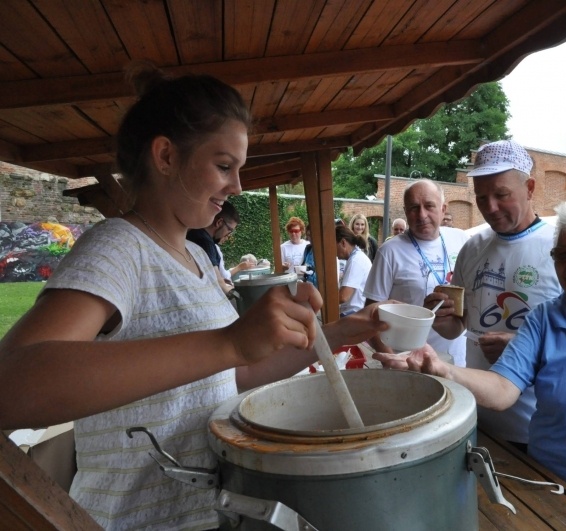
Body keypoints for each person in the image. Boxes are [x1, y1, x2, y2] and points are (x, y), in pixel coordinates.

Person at [0, 65, 387, 530]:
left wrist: (338, 332)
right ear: (165, 156)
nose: (237, 186)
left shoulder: (197, 259)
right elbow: (12, 385)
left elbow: (236, 374)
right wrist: (227, 342)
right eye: (224, 166)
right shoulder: (118, 247)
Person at [376, 196, 566, 530]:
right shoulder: (544, 319)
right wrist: (442, 368)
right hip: (556, 496)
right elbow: (503, 387)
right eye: (562, 254)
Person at [423, 139, 561, 447]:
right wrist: (437, 316)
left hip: (539, 427)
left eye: (502, 195)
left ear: (530, 188)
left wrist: (525, 349)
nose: (491, 207)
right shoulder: (472, 248)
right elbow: (457, 324)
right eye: (482, 197)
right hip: (478, 417)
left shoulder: (561, 247)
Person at [364, 179, 470, 356]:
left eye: (429, 206)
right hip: (410, 365)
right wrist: (392, 359)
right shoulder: (389, 251)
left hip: (457, 361)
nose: (422, 215)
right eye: (414, 208)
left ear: (443, 209)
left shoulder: (462, 240)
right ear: (406, 212)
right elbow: (370, 316)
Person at [187, 200, 252, 294]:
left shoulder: (193, 234)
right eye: (229, 230)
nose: (228, 235)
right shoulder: (204, 241)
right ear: (219, 222)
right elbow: (219, 283)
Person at [336, 225, 372, 316]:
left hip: (354, 314)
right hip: (353, 313)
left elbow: (343, 297)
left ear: (343, 243)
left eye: (333, 246)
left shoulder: (356, 260)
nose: (334, 252)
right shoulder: (356, 257)